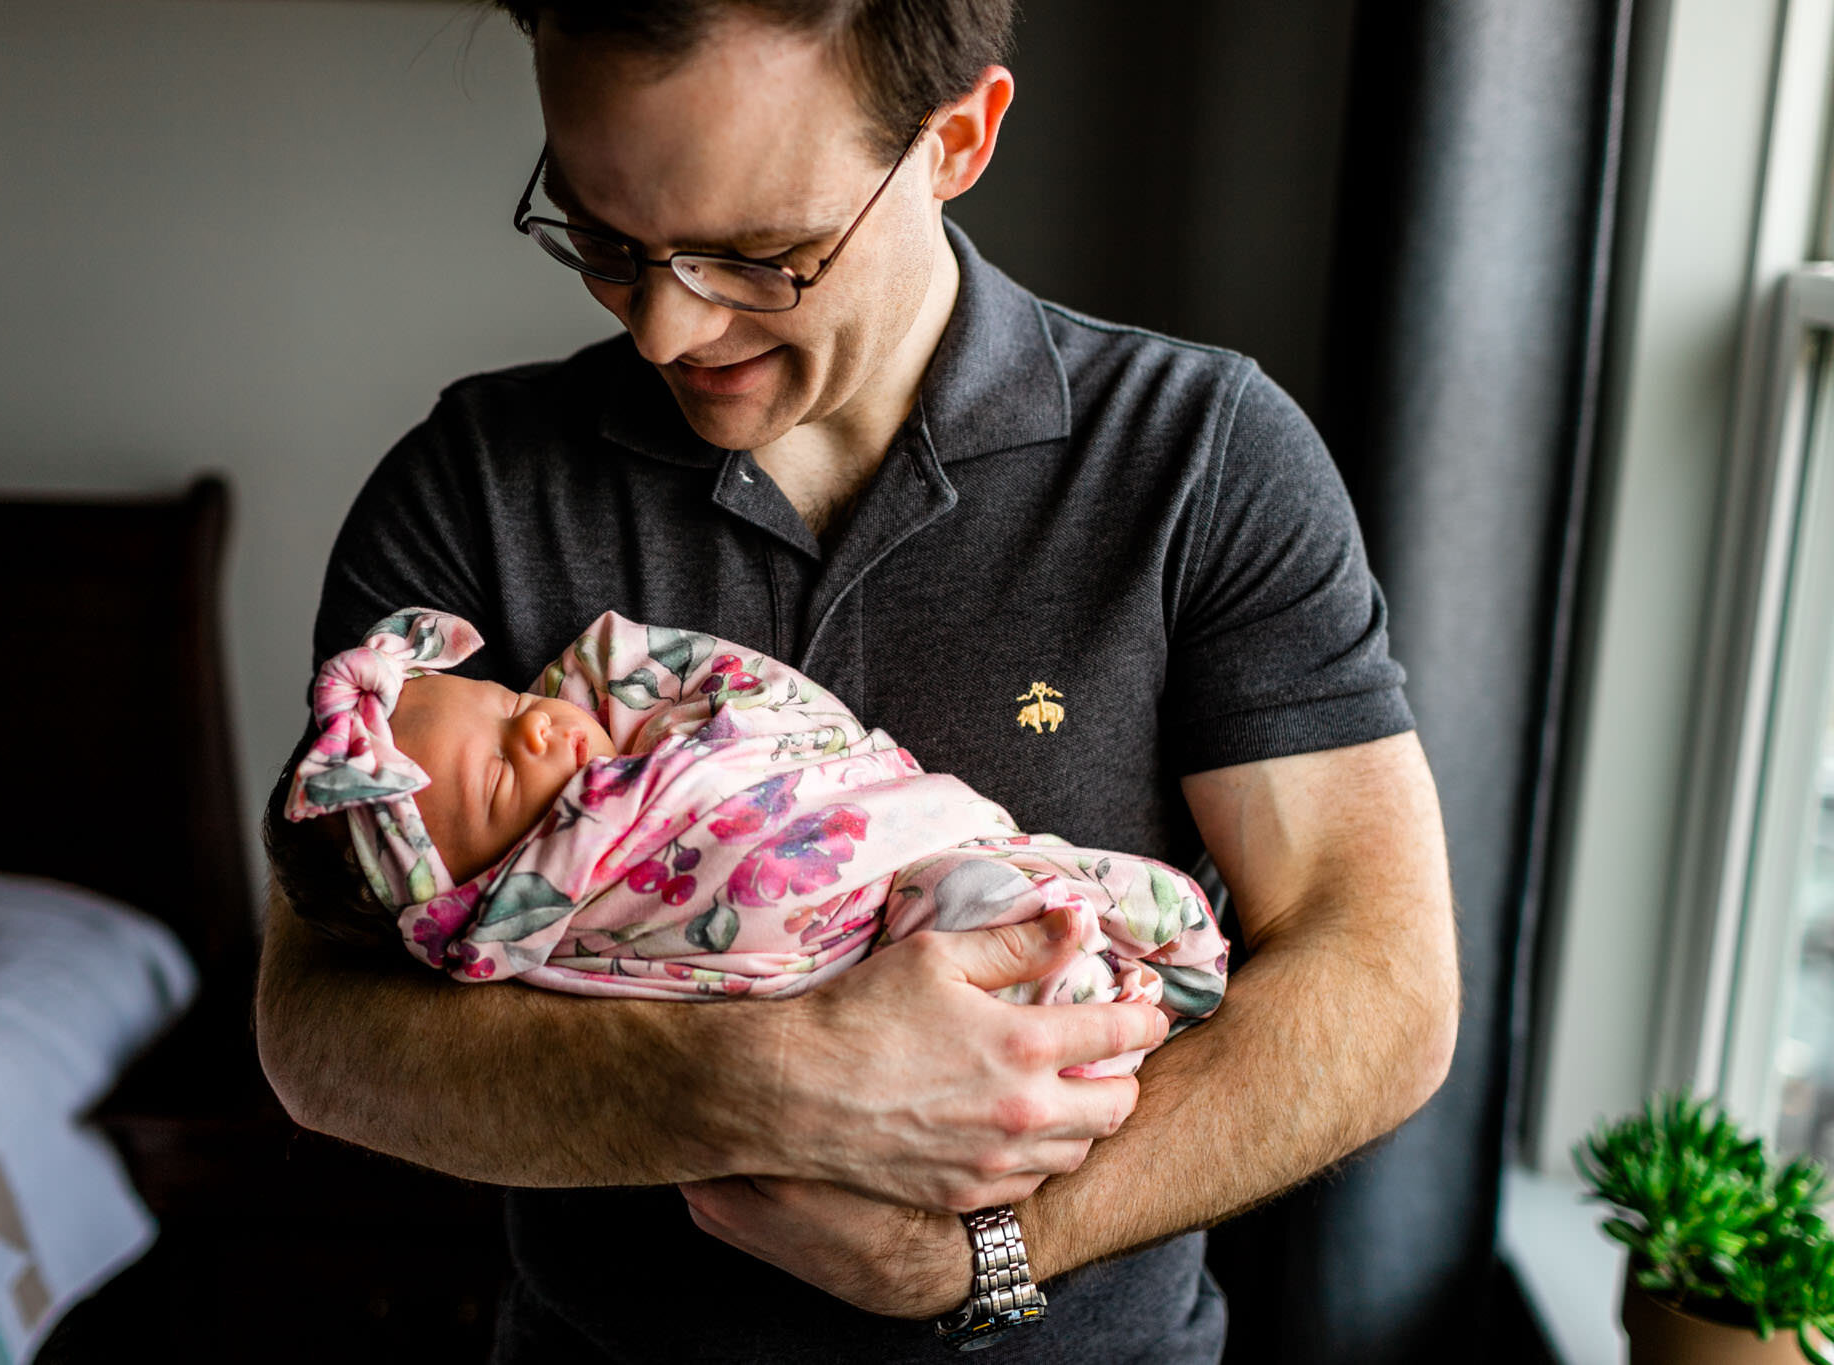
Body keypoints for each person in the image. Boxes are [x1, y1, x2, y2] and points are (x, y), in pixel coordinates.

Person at [252, 2, 1460, 1360]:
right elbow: (320, 1031)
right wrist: (769, 1084)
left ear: (958, 140)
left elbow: (1380, 982)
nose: (664, 328)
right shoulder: (472, 483)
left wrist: (971, 1255)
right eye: (603, 239)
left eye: (759, 253)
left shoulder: (1202, 458)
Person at [265, 607, 1227, 1057]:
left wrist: (997, 1268)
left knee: (1037, 888)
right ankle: (1088, 993)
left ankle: (1127, 968)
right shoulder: (558, 918)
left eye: (511, 696)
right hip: (873, 938)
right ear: (467, 889)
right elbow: (313, 1049)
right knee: (982, 910)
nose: (542, 721)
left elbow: (757, 715)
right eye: (506, 772)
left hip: (911, 845)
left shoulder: (623, 712)